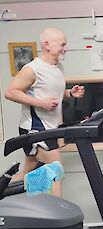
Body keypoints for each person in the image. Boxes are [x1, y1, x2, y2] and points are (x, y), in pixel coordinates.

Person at [5, 27, 85, 197]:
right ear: (46, 45)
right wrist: (40, 103)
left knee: (28, 173)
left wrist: (70, 93)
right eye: (62, 44)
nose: (66, 48)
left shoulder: (58, 67)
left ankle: (15, 197)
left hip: (50, 129)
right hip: (35, 129)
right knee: (56, 167)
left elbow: (50, 94)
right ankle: (57, 217)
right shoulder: (32, 69)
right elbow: (10, 92)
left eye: (66, 44)